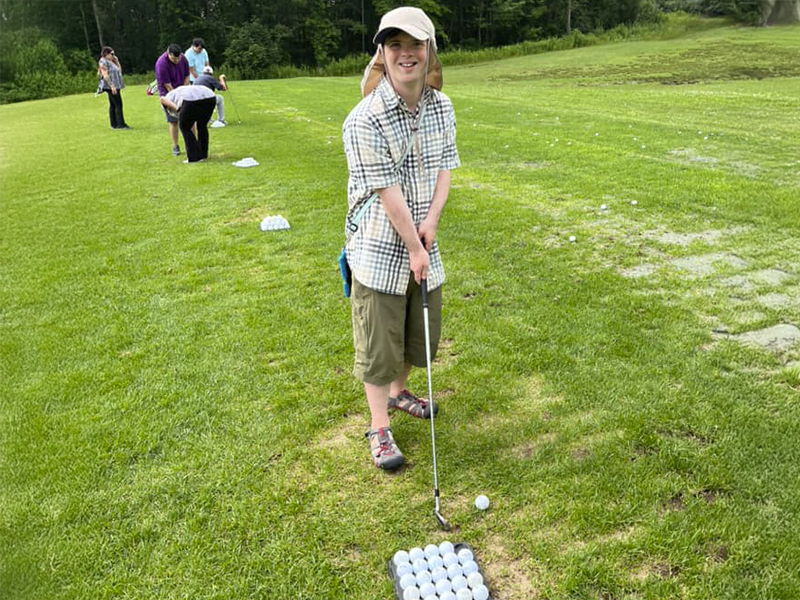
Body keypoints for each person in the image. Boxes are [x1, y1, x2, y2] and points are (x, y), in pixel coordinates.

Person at [342, 6, 459, 470]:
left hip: (424, 242)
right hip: (379, 247)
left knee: (418, 335)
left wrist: (431, 224)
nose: (405, 54)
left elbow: (445, 166)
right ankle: (379, 427)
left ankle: (399, 392)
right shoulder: (363, 119)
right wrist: (413, 245)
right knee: (379, 346)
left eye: (414, 44)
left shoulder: (442, 107)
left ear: (430, 50)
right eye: (395, 45)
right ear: (382, 54)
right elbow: (386, 189)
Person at [160, 84, 217, 163]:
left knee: (184, 127)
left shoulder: (168, 97)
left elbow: (162, 99)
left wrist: (177, 108)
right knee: (202, 126)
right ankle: (203, 154)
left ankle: (193, 157)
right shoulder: (178, 92)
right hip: (210, 96)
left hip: (190, 99)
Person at [155, 44, 190, 156]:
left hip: (183, 91)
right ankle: (175, 146)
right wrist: (178, 98)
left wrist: (184, 91)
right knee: (173, 121)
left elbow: (187, 76)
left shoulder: (183, 58)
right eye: (174, 59)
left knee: (189, 120)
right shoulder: (161, 63)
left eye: (178, 58)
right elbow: (167, 85)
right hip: (168, 95)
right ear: (168, 54)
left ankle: (191, 144)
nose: (177, 61)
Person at [97, 46, 130, 129]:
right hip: (111, 86)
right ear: (106, 54)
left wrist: (117, 61)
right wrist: (112, 85)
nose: (113, 55)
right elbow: (105, 75)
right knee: (118, 104)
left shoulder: (111, 62)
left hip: (116, 85)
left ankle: (114, 124)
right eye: (112, 54)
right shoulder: (103, 61)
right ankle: (121, 124)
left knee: (113, 104)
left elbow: (119, 71)